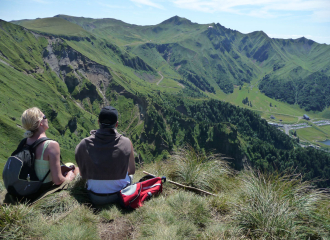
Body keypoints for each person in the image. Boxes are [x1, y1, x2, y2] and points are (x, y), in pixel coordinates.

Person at [75, 106, 135, 205]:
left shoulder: (84, 144)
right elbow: (131, 171)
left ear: (98, 122)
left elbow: (82, 174)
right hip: (120, 195)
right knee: (130, 176)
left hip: (94, 196)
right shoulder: (127, 142)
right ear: (116, 124)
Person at [21, 107, 79, 190]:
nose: (46, 119)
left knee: (69, 164)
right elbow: (58, 180)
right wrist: (70, 176)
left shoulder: (24, 142)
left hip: (30, 185)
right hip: (43, 187)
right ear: (40, 122)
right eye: (44, 117)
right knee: (76, 170)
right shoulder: (50, 145)